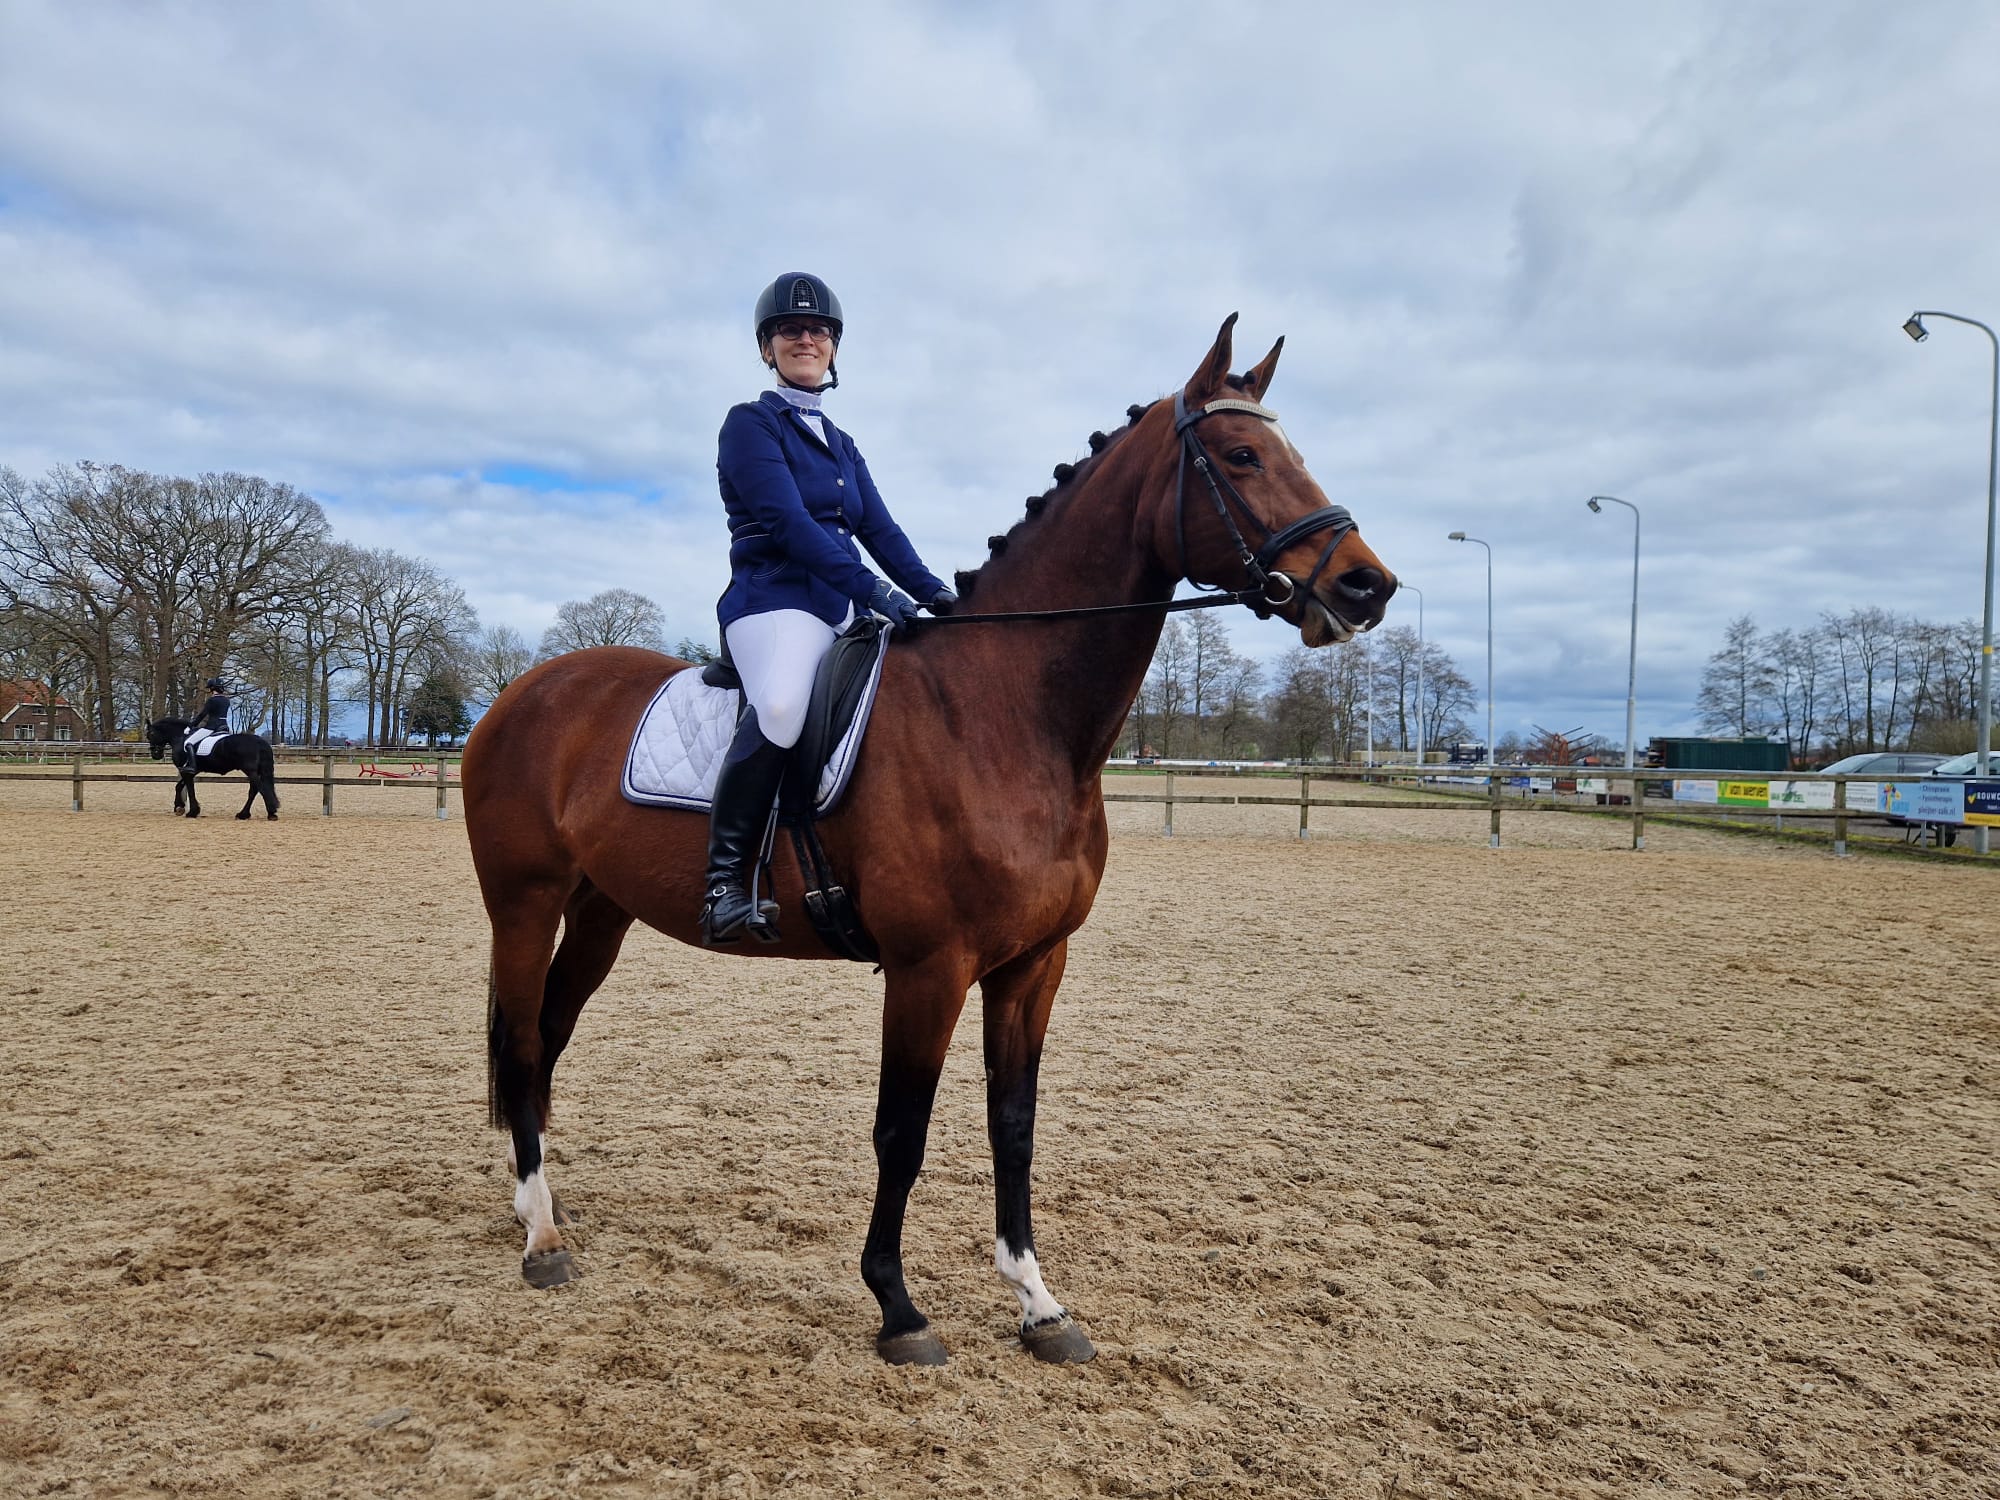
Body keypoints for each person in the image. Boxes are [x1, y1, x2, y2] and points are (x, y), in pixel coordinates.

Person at [702, 272, 955, 946]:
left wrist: (936, 594)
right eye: (790, 330)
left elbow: (883, 531)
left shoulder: (842, 444)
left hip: (840, 607)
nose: (805, 338)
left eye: (818, 331)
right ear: (767, 347)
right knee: (781, 707)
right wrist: (875, 591)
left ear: (835, 348)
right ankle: (724, 880)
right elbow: (788, 524)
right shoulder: (750, 424)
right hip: (773, 600)